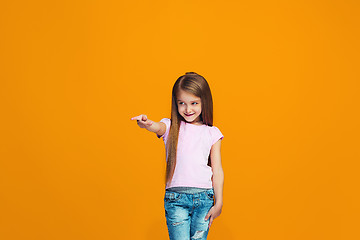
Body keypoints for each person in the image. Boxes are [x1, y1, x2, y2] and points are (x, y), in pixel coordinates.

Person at [131, 72, 224, 240]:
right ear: (176, 103)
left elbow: (217, 170)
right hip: (176, 200)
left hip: (204, 199)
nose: (188, 109)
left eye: (194, 103)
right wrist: (146, 124)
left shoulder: (212, 133)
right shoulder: (171, 126)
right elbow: (157, 127)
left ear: (204, 101)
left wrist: (219, 201)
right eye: (182, 103)